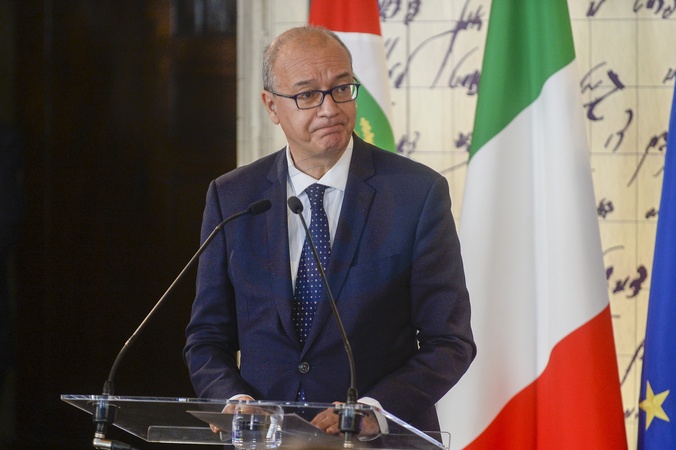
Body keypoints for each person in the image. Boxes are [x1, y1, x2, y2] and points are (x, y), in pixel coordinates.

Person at [183, 25, 475, 437]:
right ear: (271, 105)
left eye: (341, 89)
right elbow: (207, 337)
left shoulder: (416, 193)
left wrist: (375, 410)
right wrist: (232, 400)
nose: (330, 109)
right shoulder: (233, 196)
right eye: (307, 95)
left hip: (376, 443)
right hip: (264, 440)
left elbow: (450, 341)